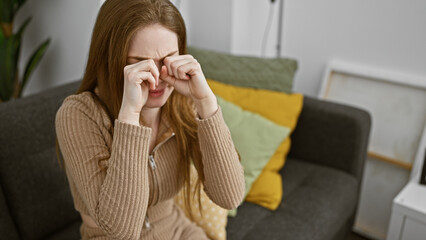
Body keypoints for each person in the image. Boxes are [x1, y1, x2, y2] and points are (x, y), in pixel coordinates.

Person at [54, 0, 245, 239]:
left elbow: (230, 197)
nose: (158, 79)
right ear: (110, 59)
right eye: (140, 64)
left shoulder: (182, 104)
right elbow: (120, 230)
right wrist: (130, 116)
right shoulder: (79, 115)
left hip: (177, 231)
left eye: (168, 59)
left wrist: (206, 103)